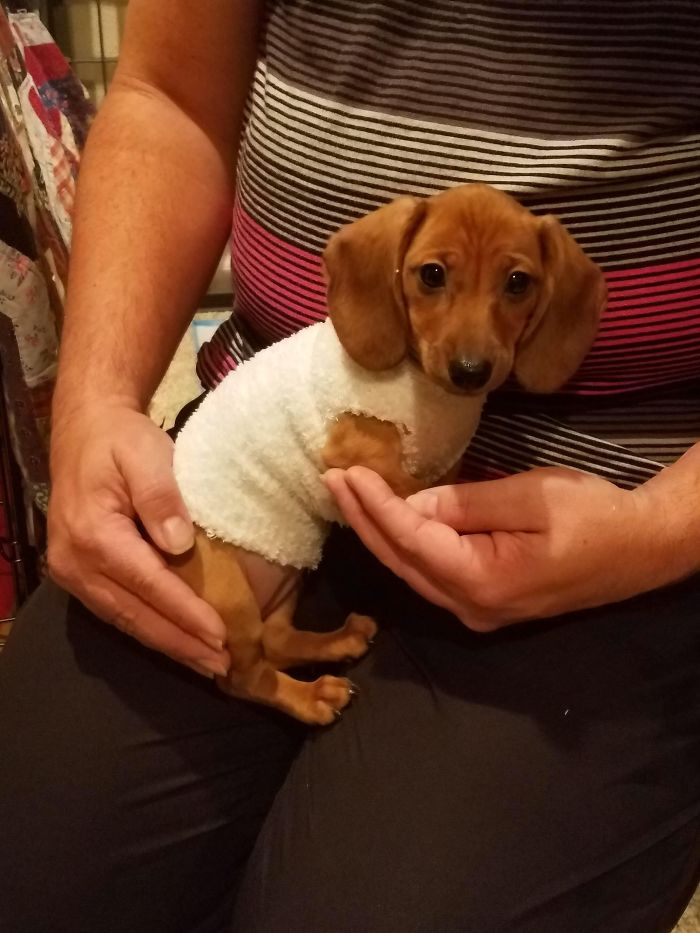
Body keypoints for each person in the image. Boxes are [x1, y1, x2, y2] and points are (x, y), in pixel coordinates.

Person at [1, 1, 699, 930]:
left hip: (613, 523)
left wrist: (662, 528)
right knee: (34, 877)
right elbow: (169, 93)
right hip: (277, 476)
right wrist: (93, 404)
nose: (474, 335)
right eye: (438, 280)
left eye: (516, 289)